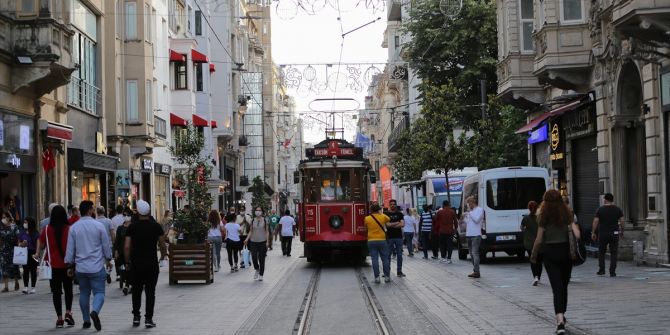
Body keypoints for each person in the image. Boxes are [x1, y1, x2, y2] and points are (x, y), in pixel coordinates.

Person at [531, 189, 581, 335]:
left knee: (556, 287)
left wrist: (534, 255)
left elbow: (539, 239)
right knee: (564, 285)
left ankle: (559, 321)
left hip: (550, 254)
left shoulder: (542, 216)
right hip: (566, 253)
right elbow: (577, 234)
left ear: (545, 201)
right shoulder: (567, 214)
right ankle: (562, 314)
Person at [64, 200, 113, 331]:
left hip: (81, 267)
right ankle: (95, 311)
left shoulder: (74, 227)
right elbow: (105, 245)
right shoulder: (98, 226)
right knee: (99, 292)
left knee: (84, 293)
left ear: (80, 211)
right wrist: (108, 259)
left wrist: (69, 265)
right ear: (91, 210)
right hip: (96, 266)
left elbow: (70, 249)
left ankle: (86, 320)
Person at [124, 200, 167, 328]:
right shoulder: (156, 226)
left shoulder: (132, 227)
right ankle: (148, 318)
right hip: (151, 263)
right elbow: (162, 244)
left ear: (137, 212)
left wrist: (127, 261)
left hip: (136, 264)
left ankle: (136, 316)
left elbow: (126, 246)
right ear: (148, 211)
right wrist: (163, 257)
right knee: (150, 291)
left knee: (136, 291)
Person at [35, 205, 75, 327]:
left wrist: (38, 252)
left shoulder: (46, 229)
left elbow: (41, 246)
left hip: (52, 265)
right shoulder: (69, 229)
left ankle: (59, 319)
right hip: (67, 265)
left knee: (56, 292)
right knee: (68, 290)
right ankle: (68, 312)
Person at [591, 193, 624, 277]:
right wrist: (622, 231)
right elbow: (622, 221)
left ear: (605, 199)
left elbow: (595, 221)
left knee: (601, 252)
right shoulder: (617, 209)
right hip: (614, 233)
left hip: (603, 233)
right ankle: (612, 272)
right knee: (614, 252)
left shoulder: (600, 209)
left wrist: (593, 232)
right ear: (612, 200)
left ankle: (602, 270)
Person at [364, 203, 391, 283]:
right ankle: (386, 277)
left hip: (371, 240)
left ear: (371, 210)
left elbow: (366, 229)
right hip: (382, 240)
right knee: (385, 259)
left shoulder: (367, 218)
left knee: (374, 259)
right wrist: (380, 213)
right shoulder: (383, 216)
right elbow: (388, 219)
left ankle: (377, 278)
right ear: (379, 209)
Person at [245, 207, 270, 281]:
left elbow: (267, 231)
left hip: (262, 241)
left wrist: (267, 241)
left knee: (261, 259)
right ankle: (257, 269)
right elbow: (250, 231)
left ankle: (261, 274)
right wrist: (247, 239)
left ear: (262, 212)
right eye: (256, 210)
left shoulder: (265, 220)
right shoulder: (253, 220)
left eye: (259, 210)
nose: (258, 211)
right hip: (253, 242)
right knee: (254, 257)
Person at [521, 201, 542, 286]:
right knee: (539, 261)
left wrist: (525, 229)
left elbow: (522, 228)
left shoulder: (525, 218)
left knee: (532, 260)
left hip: (529, 243)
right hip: (539, 242)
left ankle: (535, 276)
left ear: (528, 208)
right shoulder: (540, 218)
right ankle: (539, 277)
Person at [384, 200, 405, 277]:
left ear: (396, 205)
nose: (393, 205)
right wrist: (397, 223)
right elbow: (386, 225)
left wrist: (391, 224)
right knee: (388, 255)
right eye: (391, 204)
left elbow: (402, 224)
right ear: (389, 205)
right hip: (389, 237)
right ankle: (387, 272)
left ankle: (399, 271)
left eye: (394, 204)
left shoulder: (400, 214)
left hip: (398, 237)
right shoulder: (386, 214)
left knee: (399, 255)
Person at [463, 196, 484, 278]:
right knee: (471, 254)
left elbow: (477, 220)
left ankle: (477, 272)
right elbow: (467, 222)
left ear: (472, 202)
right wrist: (464, 217)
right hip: (469, 234)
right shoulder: (470, 212)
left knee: (475, 253)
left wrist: (469, 213)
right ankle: (475, 270)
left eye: (468, 204)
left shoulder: (480, 210)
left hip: (476, 234)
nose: (468, 205)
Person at [18, 217, 40, 293]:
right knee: (25, 270)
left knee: (33, 270)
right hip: (24, 253)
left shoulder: (35, 233)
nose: (25, 224)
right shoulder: (22, 232)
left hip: (33, 253)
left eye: (26, 222)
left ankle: (33, 287)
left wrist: (37, 253)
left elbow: (38, 244)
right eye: (24, 222)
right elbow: (19, 243)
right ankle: (25, 286)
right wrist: (22, 244)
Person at [0, 211, 20, 292]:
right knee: (4, 267)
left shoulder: (14, 227)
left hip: (13, 249)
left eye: (4, 217)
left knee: (14, 267)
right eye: (2, 217)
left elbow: (18, 237)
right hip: (3, 250)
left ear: (8, 218)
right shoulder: (1, 228)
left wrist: (19, 246)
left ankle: (16, 282)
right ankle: (6, 286)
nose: (3, 219)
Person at [114, 210, 132, 295]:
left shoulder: (133, 226)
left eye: (127, 215)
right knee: (122, 267)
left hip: (131, 252)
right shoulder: (120, 228)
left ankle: (127, 285)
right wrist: (116, 251)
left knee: (128, 268)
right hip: (121, 251)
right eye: (124, 215)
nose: (125, 216)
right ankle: (124, 279)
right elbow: (117, 240)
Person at [96, 206, 114, 284]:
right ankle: (108, 273)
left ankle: (103, 274)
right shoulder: (109, 221)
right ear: (104, 212)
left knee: (100, 261)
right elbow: (112, 233)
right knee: (108, 260)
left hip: (97, 245)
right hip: (108, 244)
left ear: (97, 212)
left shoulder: (95, 222)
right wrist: (114, 242)